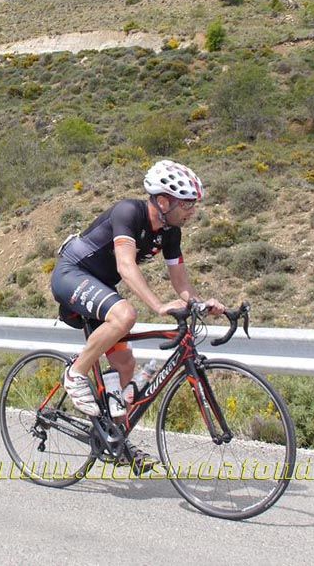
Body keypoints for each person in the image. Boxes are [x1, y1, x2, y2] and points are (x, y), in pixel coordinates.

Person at [50, 160, 227, 424]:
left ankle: (116, 439)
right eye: (187, 204)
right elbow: (125, 265)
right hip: (71, 274)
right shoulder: (128, 212)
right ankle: (76, 374)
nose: (192, 211)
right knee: (126, 315)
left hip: (100, 287)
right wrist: (158, 305)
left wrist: (200, 304)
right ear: (164, 202)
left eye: (194, 204)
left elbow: (181, 284)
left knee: (125, 365)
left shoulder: (170, 233)